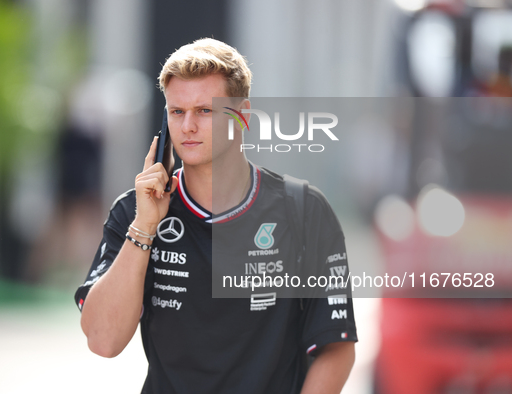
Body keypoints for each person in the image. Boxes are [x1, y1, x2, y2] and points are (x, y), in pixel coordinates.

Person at [75, 38, 357, 394]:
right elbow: (103, 341)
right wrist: (144, 227)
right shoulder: (134, 212)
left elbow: (336, 346)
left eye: (205, 111)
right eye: (177, 112)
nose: (188, 126)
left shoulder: (303, 209)